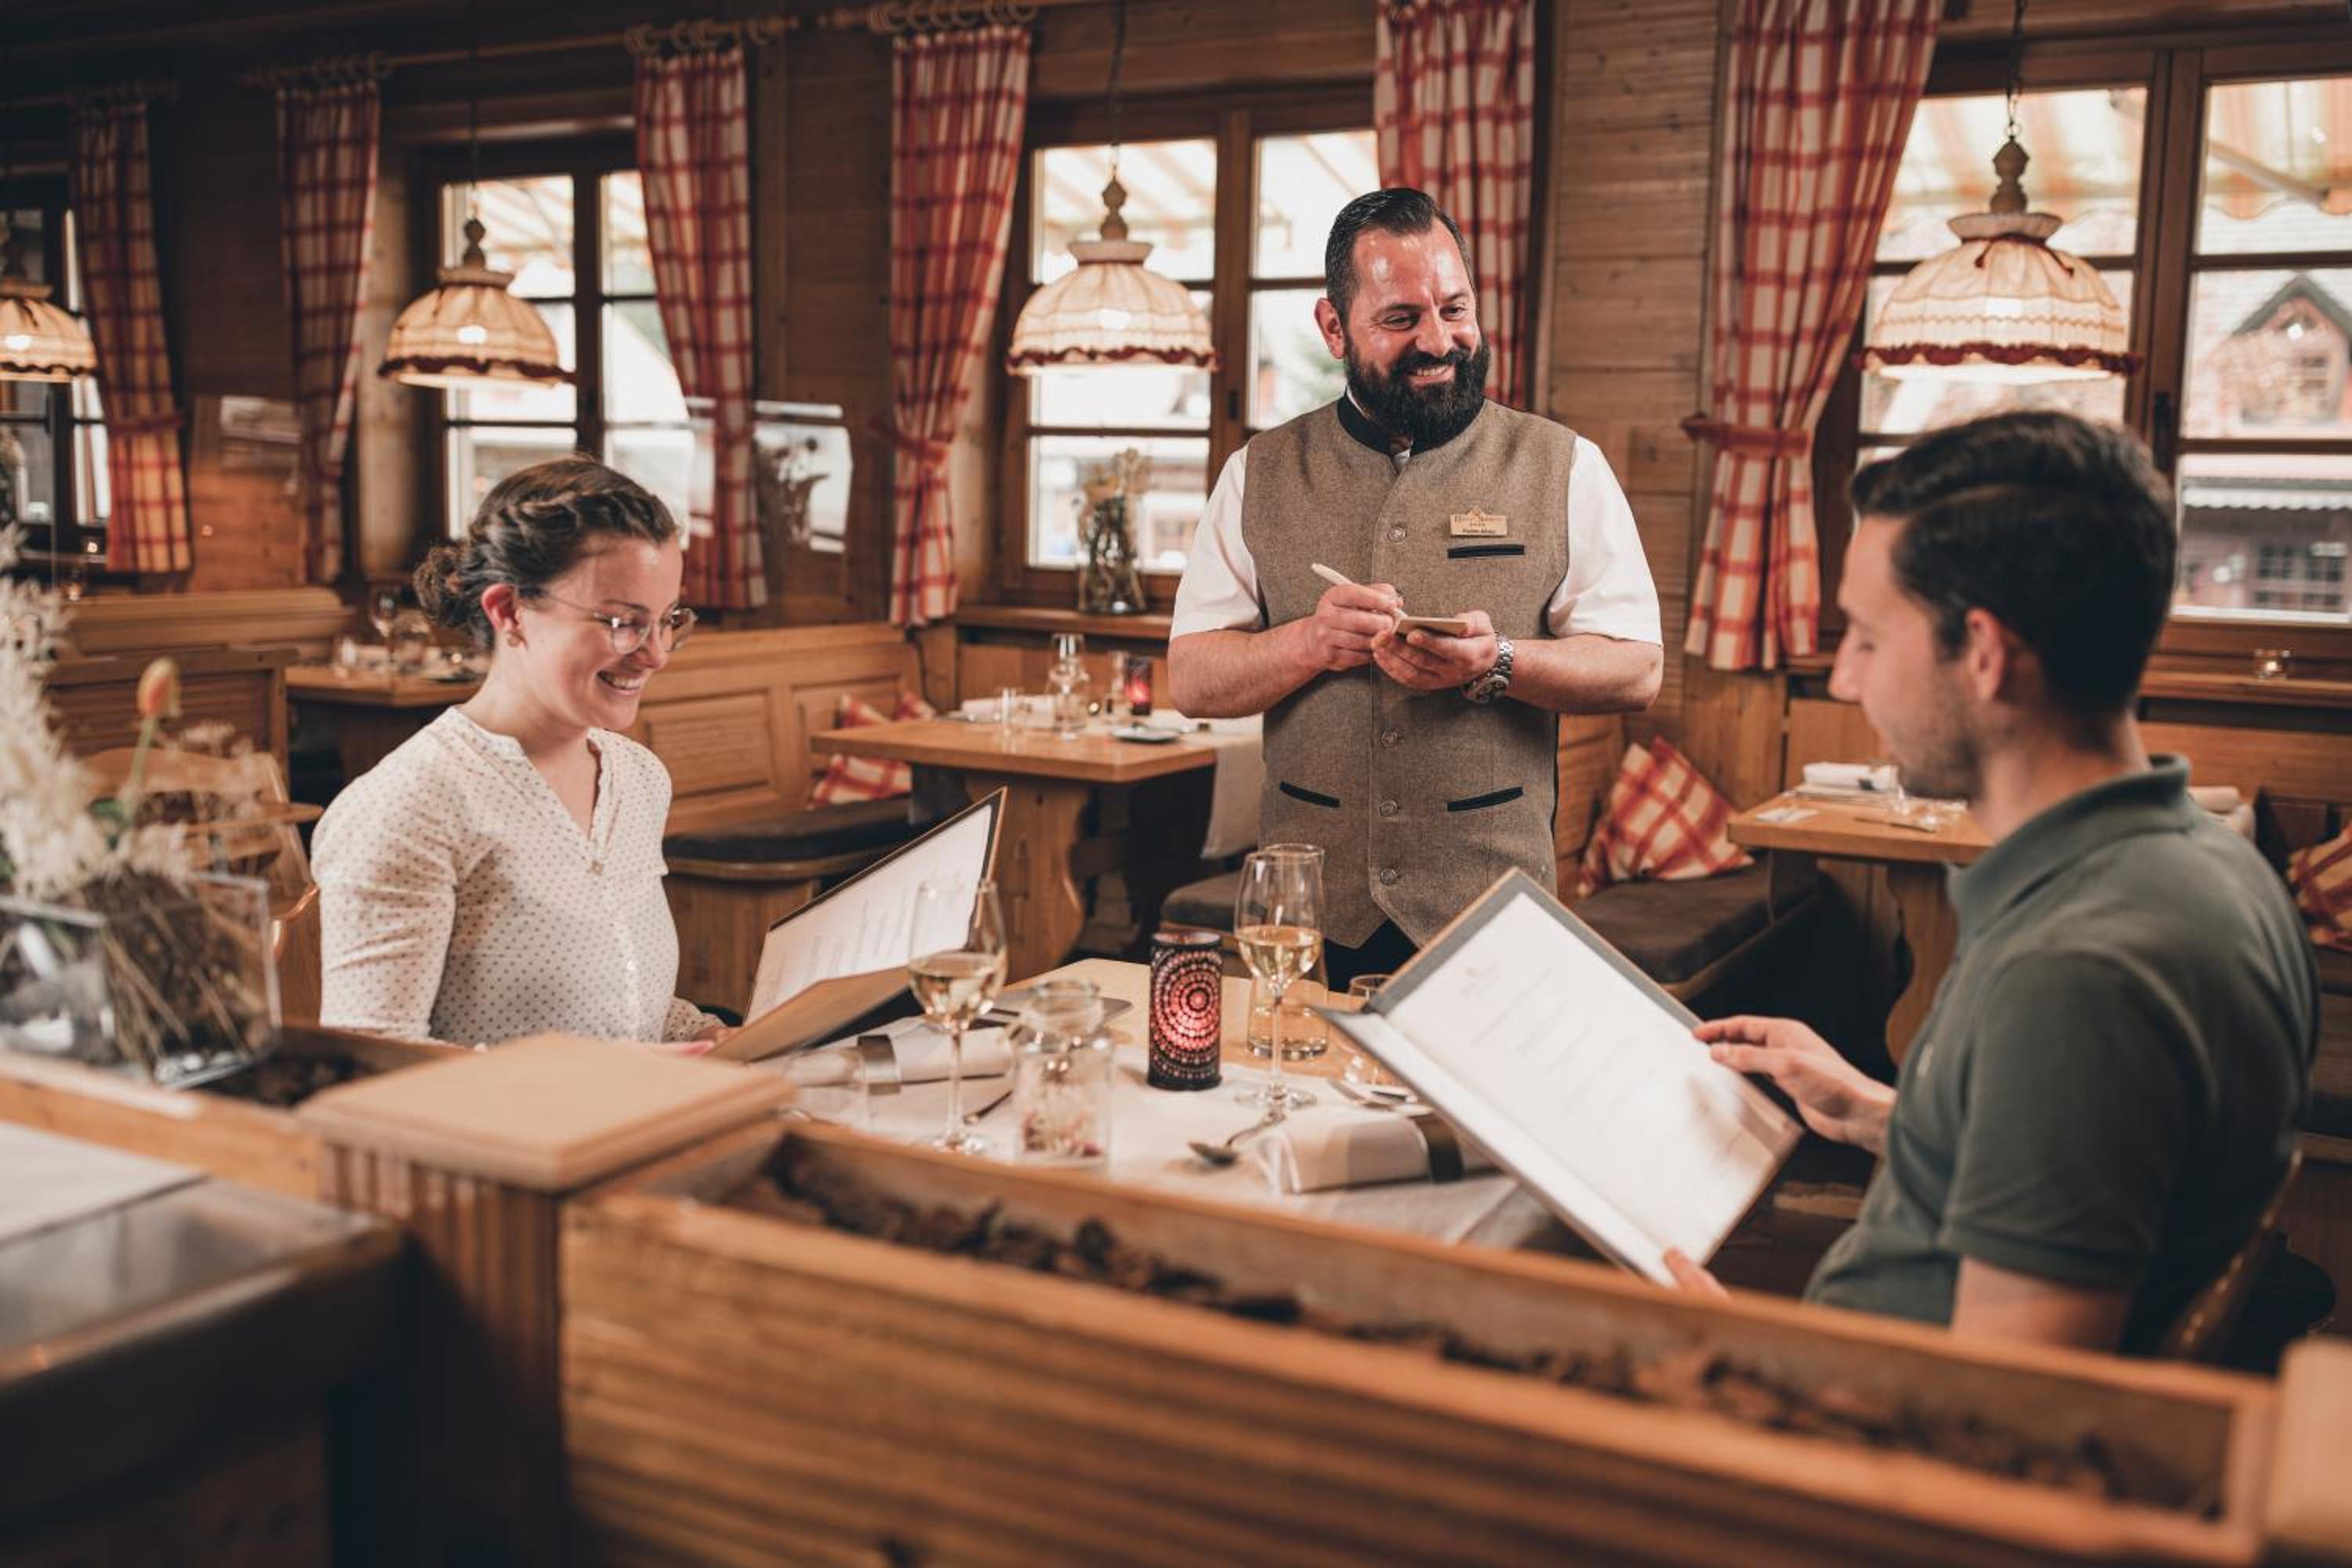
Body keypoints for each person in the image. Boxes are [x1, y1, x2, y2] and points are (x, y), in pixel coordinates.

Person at [1665, 412, 2316, 1354]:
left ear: (1983, 652)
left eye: (1868, 638)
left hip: (1850, 1424)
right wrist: (1885, 1112)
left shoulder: (2080, 973)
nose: (1844, 678)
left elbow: (2006, 1407)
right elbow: (2101, 1161)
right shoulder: (2214, 867)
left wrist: (1732, 1356)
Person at [1168, 187, 1662, 984]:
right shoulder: (1256, 473)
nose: (1439, 340)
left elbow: (1637, 668)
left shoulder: (1566, 466)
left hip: (1493, 911)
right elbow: (1192, 677)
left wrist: (1499, 660)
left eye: (1455, 309)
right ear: (1334, 327)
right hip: (1310, 918)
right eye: (1401, 318)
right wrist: (1308, 643)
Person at [314, 457, 728, 1052]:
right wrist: (618, 1078)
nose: (656, 654)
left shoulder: (638, 776)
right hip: (520, 1123)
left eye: (667, 621)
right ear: (508, 612)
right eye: (623, 622)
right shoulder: (408, 807)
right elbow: (375, 1061)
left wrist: (700, 1031)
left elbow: (617, 1003)